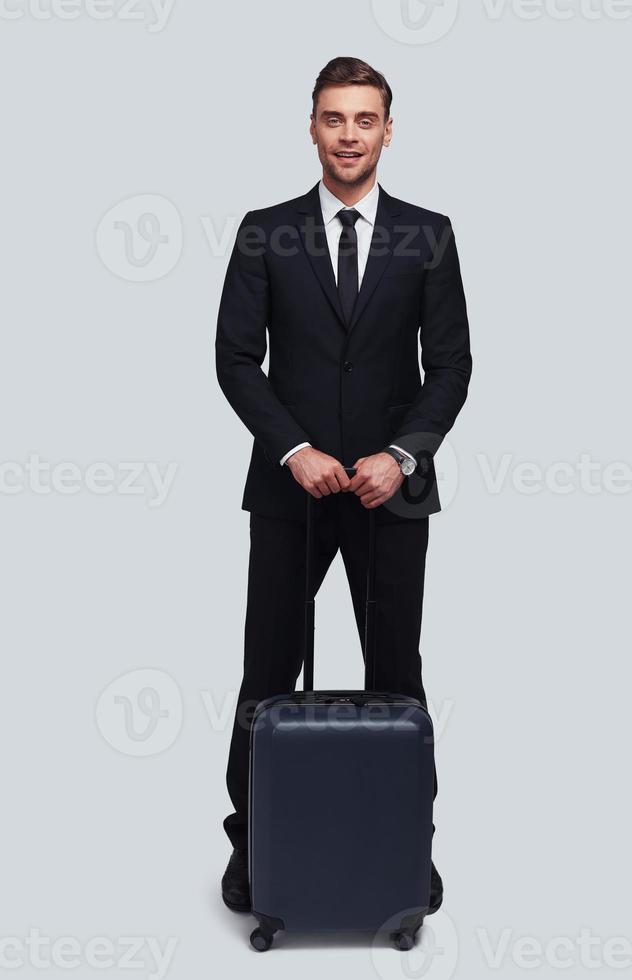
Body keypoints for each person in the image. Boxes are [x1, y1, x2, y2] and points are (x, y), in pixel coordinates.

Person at [215, 56, 472, 914]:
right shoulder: (265, 231)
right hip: (291, 489)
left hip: (389, 492)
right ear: (313, 126)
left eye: (365, 120)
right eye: (334, 118)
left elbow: (452, 367)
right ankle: (251, 849)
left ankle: (409, 844)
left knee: (399, 674)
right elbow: (236, 361)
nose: (350, 134)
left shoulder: (427, 234)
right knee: (265, 673)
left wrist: (399, 454)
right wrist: (295, 449)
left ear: (388, 129)